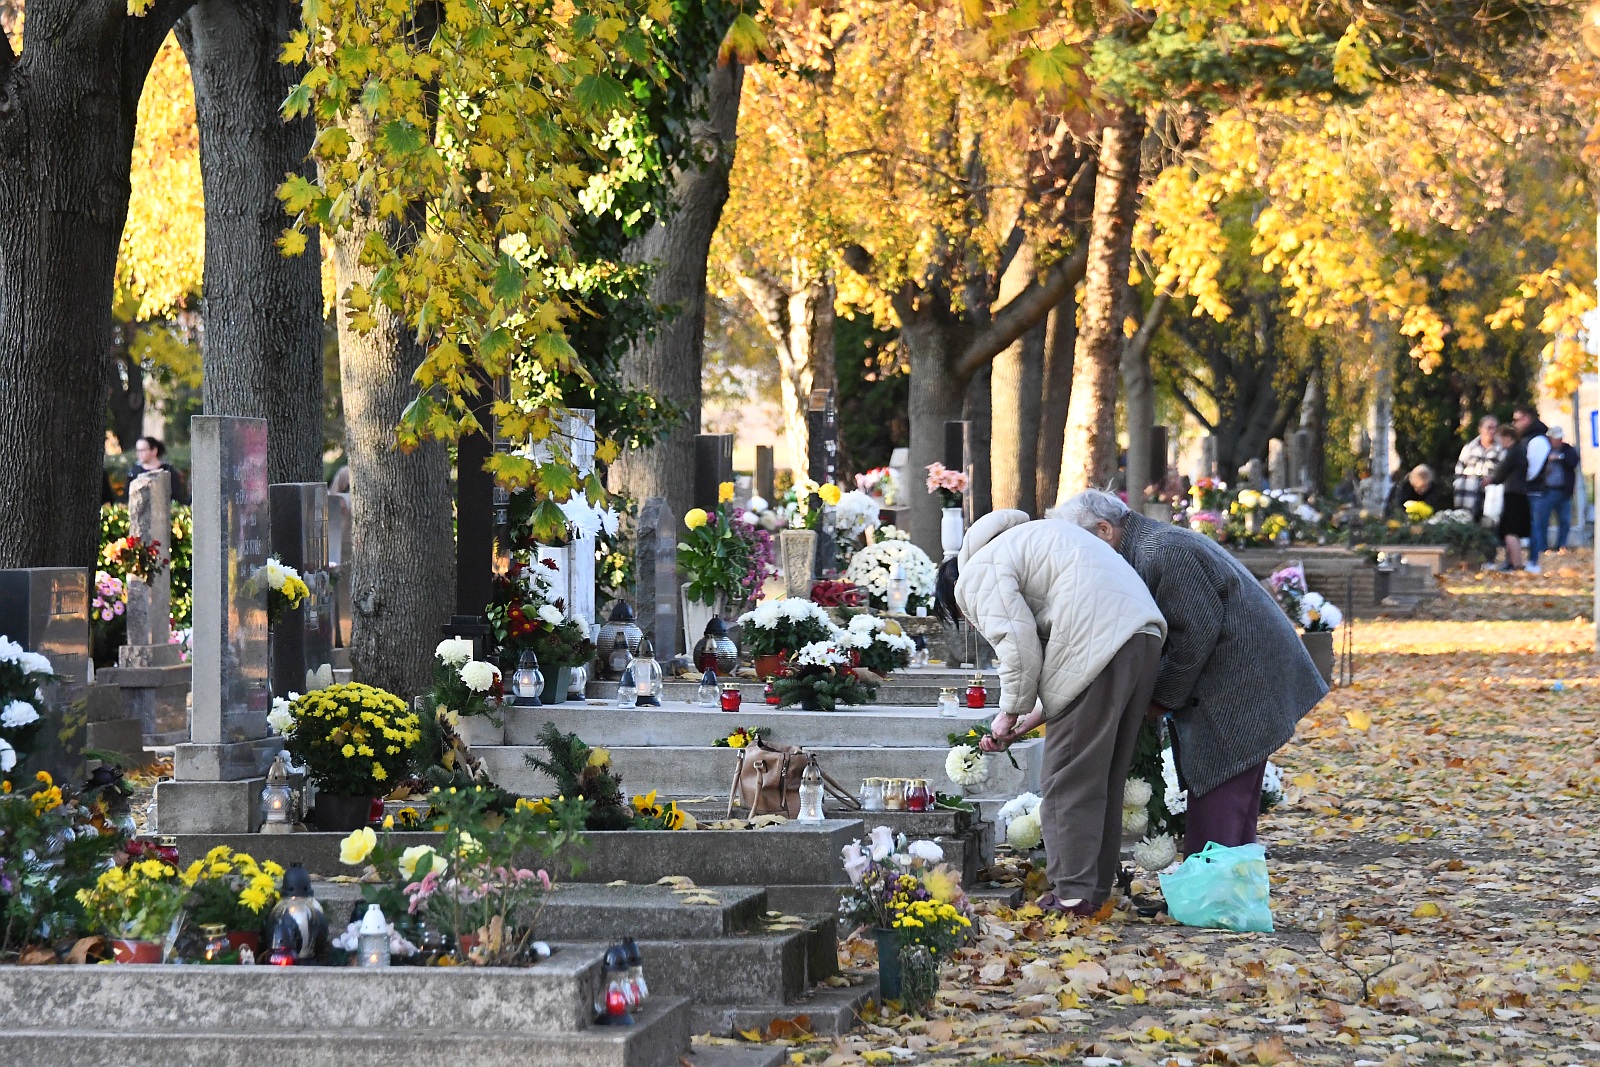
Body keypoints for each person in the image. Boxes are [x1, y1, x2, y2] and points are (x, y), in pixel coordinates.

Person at [1054, 490, 1329, 856]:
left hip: (1241, 681)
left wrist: (1155, 702)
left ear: (1105, 529)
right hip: (1239, 675)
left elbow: (1190, 639)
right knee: (1228, 801)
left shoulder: (1162, 551)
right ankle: (1224, 895)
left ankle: (1214, 902)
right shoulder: (1152, 544)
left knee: (1221, 800)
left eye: (1082, 545)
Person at [935, 510, 1166, 917]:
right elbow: (1063, 665)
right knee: (1103, 775)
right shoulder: (1034, 538)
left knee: (1065, 777)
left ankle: (1073, 894)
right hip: (1141, 638)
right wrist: (1026, 719)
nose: (972, 623)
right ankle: (1092, 888)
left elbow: (1018, 645)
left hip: (1100, 643)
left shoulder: (977, 572)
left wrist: (1009, 711)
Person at [1491, 406, 1551, 574]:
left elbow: (1532, 469)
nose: (1514, 423)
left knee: (1530, 527)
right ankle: (1512, 561)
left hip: (1531, 490)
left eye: (1516, 419)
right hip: (1523, 489)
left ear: (1527, 419)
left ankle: (1532, 561)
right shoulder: (1524, 441)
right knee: (1516, 529)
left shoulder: (1537, 440)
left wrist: (1520, 481)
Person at [1453, 416, 1504, 521]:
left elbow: (1503, 472)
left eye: (1495, 428)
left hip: (1490, 498)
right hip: (1467, 496)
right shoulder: (1469, 448)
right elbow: (1459, 468)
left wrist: (1492, 479)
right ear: (1480, 429)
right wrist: (1458, 483)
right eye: (1489, 427)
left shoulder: (1501, 450)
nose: (1492, 431)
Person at [1543, 425, 1580, 552]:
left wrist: (1560, 457)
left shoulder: (1568, 450)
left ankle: (1561, 545)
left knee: (1564, 520)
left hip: (1564, 491)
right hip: (1547, 490)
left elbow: (1573, 461)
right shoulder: (1544, 450)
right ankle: (1543, 546)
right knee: (1544, 519)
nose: (1558, 441)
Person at [127, 436, 188, 504]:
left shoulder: (168, 470)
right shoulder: (134, 473)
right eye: (138, 450)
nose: (139, 454)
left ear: (154, 451)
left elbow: (177, 497)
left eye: (142, 450)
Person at [1386, 464, 1451, 518]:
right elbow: (1393, 509)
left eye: (1425, 486)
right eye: (1419, 487)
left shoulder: (1434, 488)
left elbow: (1435, 505)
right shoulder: (1400, 489)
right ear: (1412, 482)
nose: (1422, 490)